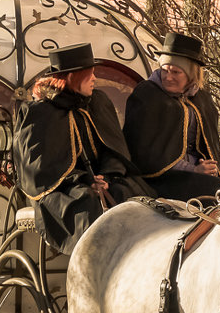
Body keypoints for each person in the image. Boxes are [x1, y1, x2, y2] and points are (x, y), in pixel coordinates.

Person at [13, 43, 152, 254]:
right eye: (90, 74)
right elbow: (38, 168)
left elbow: (114, 147)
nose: (95, 78)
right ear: (72, 77)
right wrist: (85, 180)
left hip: (101, 180)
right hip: (61, 188)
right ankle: (93, 268)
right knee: (87, 205)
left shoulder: (97, 102)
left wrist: (107, 175)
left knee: (132, 194)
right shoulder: (40, 112)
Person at [123, 31, 220, 203]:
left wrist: (207, 167)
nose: (168, 77)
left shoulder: (201, 99)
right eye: (164, 70)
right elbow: (145, 152)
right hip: (159, 179)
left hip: (198, 175)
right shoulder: (147, 94)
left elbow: (210, 144)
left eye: (176, 72)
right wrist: (194, 170)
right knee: (213, 190)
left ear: (190, 75)